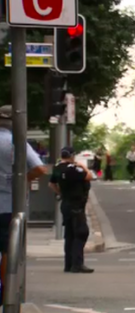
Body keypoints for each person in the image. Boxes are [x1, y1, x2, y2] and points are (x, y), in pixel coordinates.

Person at [0, 105, 48, 304]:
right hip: (9, 204)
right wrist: (22, 181)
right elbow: (39, 168)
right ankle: (6, 295)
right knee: (7, 251)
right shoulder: (16, 142)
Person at [49, 146, 94, 274]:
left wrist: (61, 193)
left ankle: (68, 264)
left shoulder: (57, 168)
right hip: (76, 205)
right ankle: (77, 264)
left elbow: (51, 184)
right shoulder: (75, 169)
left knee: (69, 235)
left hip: (66, 204)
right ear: (72, 156)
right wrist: (83, 166)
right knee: (81, 233)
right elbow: (89, 176)